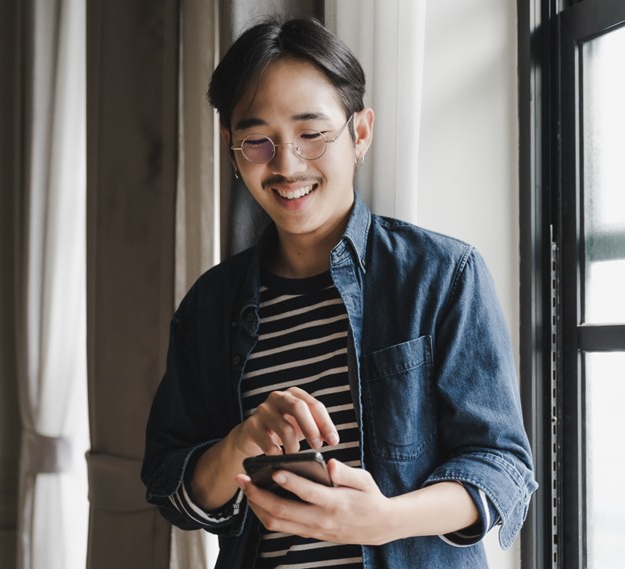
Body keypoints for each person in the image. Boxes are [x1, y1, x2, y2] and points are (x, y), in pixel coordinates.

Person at [141, 16, 537, 569]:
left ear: (361, 132)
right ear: (230, 148)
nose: (285, 164)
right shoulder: (209, 307)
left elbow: (502, 465)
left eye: (312, 133)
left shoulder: (444, 275)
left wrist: (383, 520)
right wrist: (237, 445)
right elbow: (169, 483)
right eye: (258, 141)